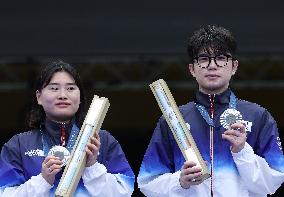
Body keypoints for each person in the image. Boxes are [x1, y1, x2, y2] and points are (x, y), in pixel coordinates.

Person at [137, 25, 284, 196]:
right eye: (204, 59)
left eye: (221, 58)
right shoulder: (172, 120)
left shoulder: (259, 116)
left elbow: (274, 182)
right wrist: (180, 181)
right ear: (192, 69)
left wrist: (242, 152)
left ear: (234, 66)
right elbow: (147, 182)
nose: (212, 66)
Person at [0, 60, 134, 196]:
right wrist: (44, 180)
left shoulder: (101, 140)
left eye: (70, 88)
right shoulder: (18, 145)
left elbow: (125, 192)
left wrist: (92, 167)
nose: (62, 95)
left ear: (80, 96)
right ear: (39, 97)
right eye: (54, 88)